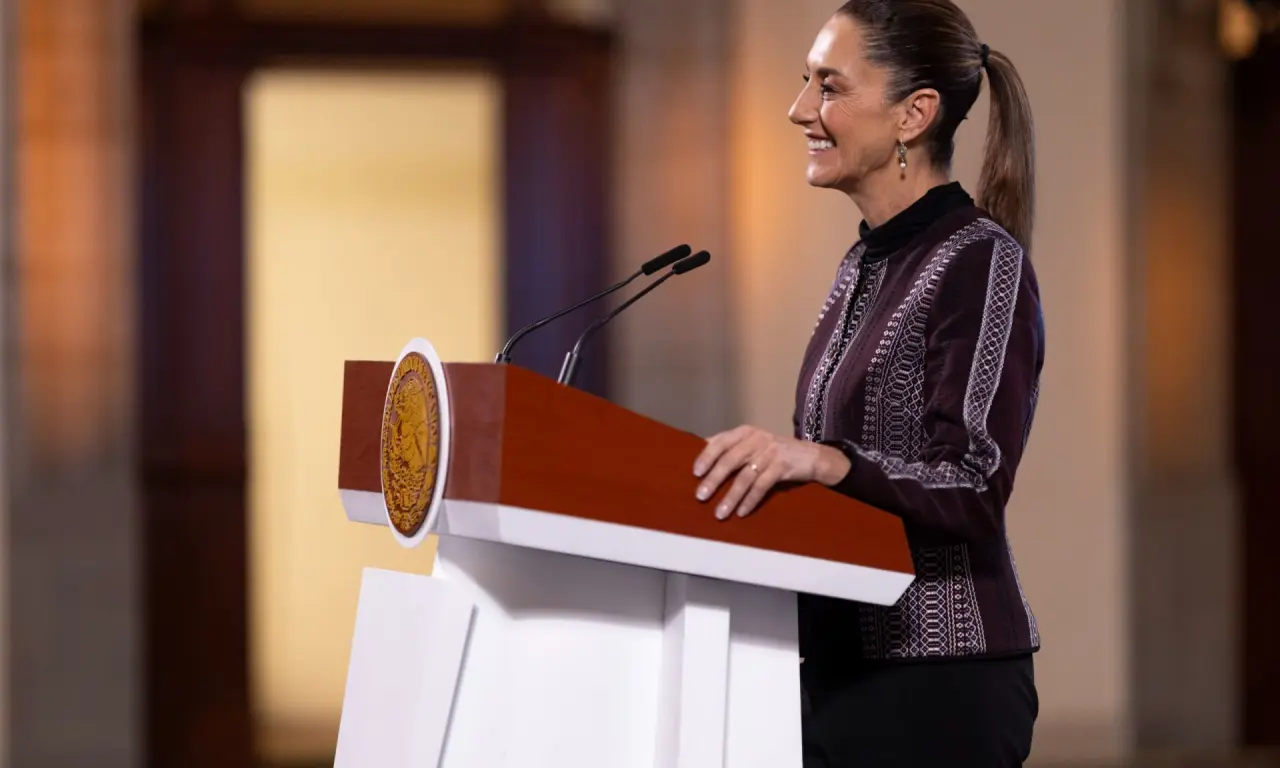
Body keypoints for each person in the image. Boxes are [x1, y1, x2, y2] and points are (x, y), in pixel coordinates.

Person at [691, 1, 1043, 765]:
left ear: (914, 114)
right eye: (804, 82)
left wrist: (824, 460)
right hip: (839, 676)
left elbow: (974, 483)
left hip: (939, 688)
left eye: (828, 86)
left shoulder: (981, 259)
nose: (799, 110)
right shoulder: (862, 265)